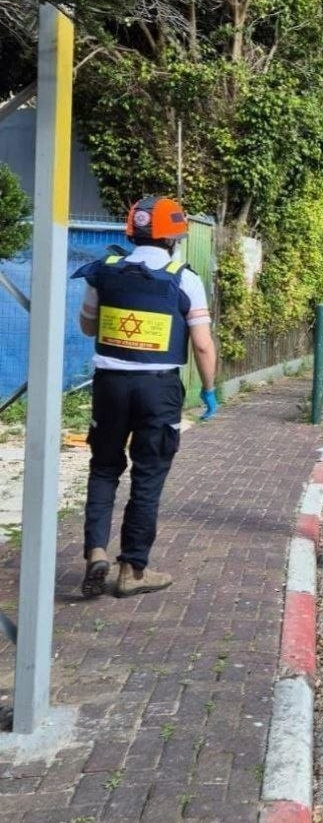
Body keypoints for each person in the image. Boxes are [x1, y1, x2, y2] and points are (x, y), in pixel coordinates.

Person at [75, 196, 218, 599]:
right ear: (173, 238)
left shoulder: (102, 272)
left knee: (104, 468)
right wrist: (209, 390)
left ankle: (96, 552)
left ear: (131, 233)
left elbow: (87, 327)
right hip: (158, 389)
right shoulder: (184, 280)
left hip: (109, 385)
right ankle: (132, 570)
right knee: (148, 475)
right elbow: (202, 345)